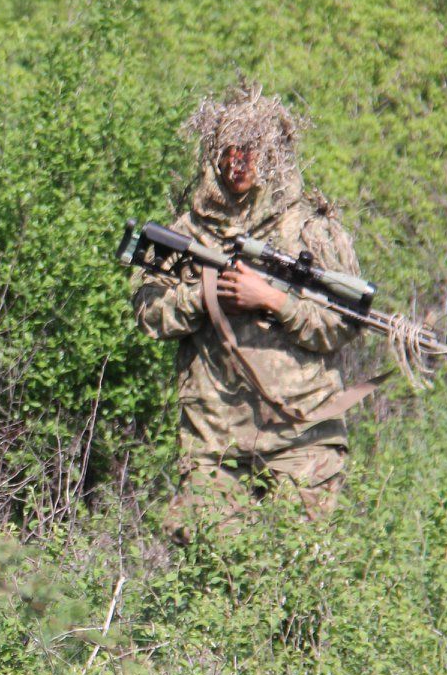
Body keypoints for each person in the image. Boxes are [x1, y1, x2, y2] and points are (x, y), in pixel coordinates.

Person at [132, 84, 365, 539]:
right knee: (214, 579)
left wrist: (274, 301)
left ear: (274, 154)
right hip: (214, 440)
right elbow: (149, 313)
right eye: (229, 149)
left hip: (303, 438)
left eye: (252, 149)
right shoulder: (186, 232)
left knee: (297, 580)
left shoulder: (312, 230)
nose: (239, 161)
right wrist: (203, 294)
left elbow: (344, 323)